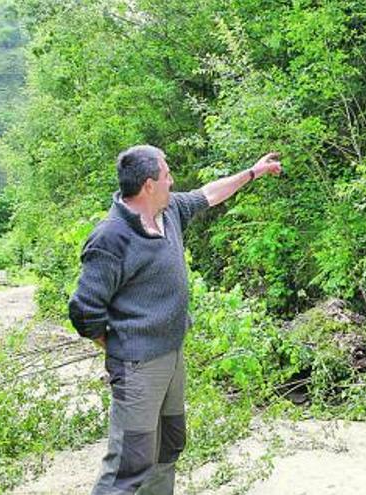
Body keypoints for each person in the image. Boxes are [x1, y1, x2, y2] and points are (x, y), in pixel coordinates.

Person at [68, 145, 281, 494]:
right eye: (167, 174)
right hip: (137, 367)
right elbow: (84, 311)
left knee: (168, 447)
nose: (173, 180)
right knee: (129, 464)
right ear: (149, 184)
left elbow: (210, 193)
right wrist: (119, 346)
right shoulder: (110, 237)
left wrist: (253, 172)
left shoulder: (170, 212)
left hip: (171, 357)